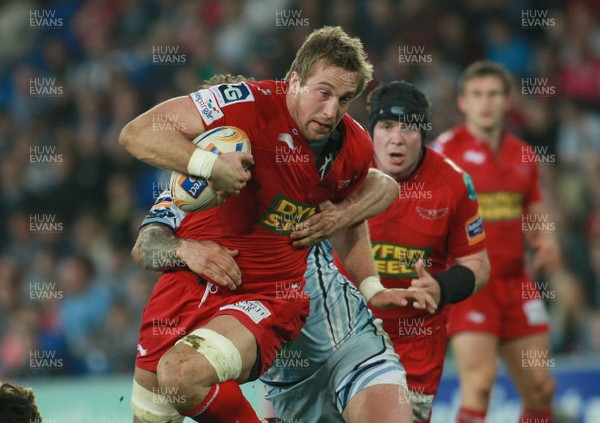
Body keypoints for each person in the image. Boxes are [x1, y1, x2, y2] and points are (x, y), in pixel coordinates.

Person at [119, 27, 433, 423]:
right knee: (165, 395)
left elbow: (379, 186)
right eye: (324, 93)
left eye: (344, 99)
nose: (333, 110)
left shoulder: (344, 149)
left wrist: (363, 268)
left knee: (182, 374)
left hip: (306, 317)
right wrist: (192, 227)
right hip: (217, 321)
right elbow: (136, 142)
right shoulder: (192, 180)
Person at [340, 81, 489, 423]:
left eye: (408, 128)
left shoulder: (453, 184)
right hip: (344, 333)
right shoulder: (343, 171)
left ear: (423, 135)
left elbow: (478, 265)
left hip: (414, 344)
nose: (396, 138)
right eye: (387, 126)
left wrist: (442, 287)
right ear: (372, 131)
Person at [433, 61, 561, 423]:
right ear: (462, 102)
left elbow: (532, 204)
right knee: (481, 384)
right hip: (472, 283)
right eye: (477, 95)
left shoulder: (523, 154)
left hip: (517, 284)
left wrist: (546, 239)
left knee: (541, 388)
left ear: (507, 101)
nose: (485, 103)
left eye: (493, 94)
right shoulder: (445, 153)